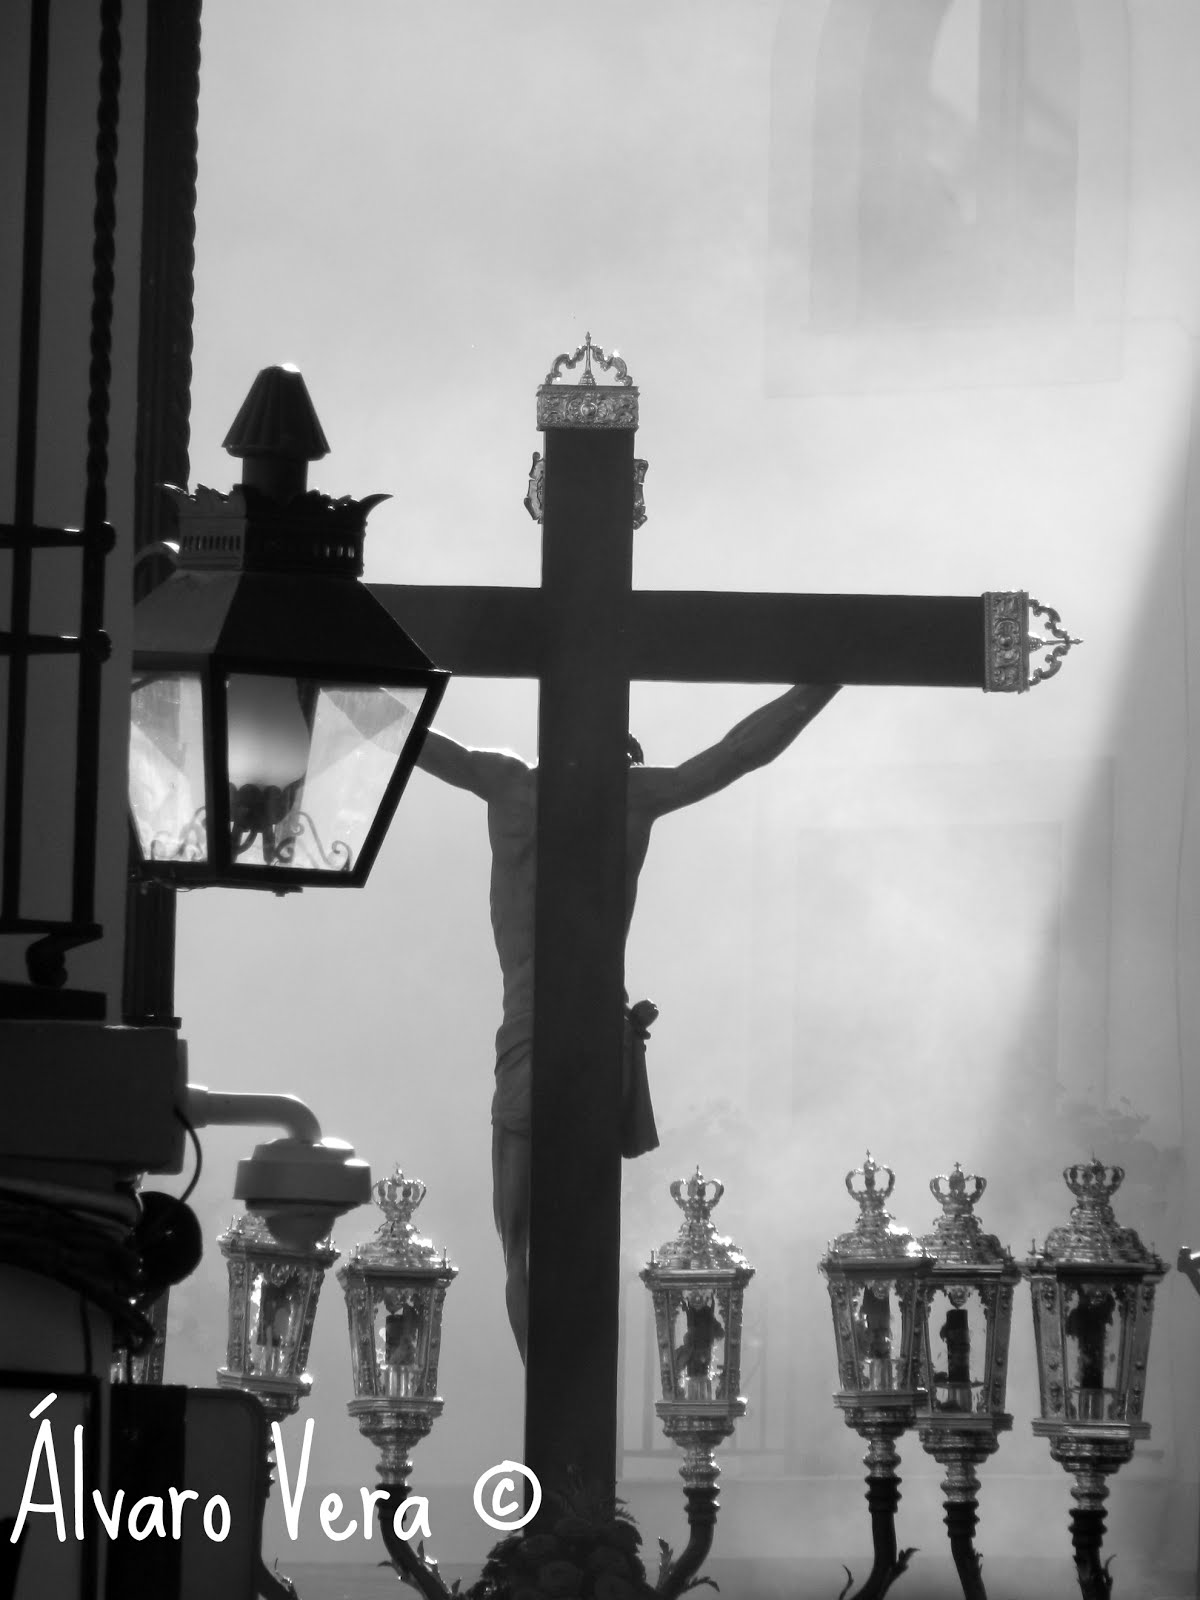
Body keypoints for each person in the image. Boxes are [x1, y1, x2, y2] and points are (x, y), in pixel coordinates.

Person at [416, 682, 840, 1358]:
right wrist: (823, 683)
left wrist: (332, 682)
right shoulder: (627, 797)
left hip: (535, 1031)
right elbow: (736, 754)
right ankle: (560, 1390)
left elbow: (413, 738)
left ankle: (552, 1389)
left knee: (524, 1243)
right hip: (587, 1039)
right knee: (568, 1236)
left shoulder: (509, 784)